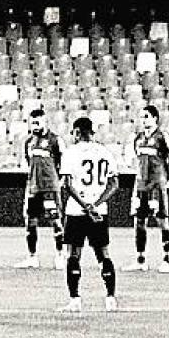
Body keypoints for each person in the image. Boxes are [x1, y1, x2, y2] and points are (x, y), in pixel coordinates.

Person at [59, 116, 118, 313]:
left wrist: (85, 205)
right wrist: (96, 205)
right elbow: (114, 185)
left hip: (76, 210)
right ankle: (110, 298)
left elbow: (66, 184)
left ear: (77, 132)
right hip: (99, 211)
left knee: (73, 254)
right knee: (103, 254)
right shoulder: (105, 152)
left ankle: (75, 300)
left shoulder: (70, 153)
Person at [16, 108, 64, 269]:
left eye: (37, 122)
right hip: (33, 188)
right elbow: (29, 163)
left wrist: (59, 181)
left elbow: (61, 163)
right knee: (30, 222)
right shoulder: (28, 142)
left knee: (55, 221)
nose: (35, 126)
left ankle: (59, 256)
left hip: (49, 187)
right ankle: (32, 257)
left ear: (45, 122)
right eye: (32, 123)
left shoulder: (55, 140)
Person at [130, 104, 169, 273]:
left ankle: (166, 259)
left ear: (155, 118)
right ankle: (140, 260)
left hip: (156, 185)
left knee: (162, 220)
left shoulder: (163, 137)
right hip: (140, 185)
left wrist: (162, 177)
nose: (143, 120)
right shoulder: (138, 138)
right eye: (141, 117)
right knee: (139, 222)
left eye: (146, 117)